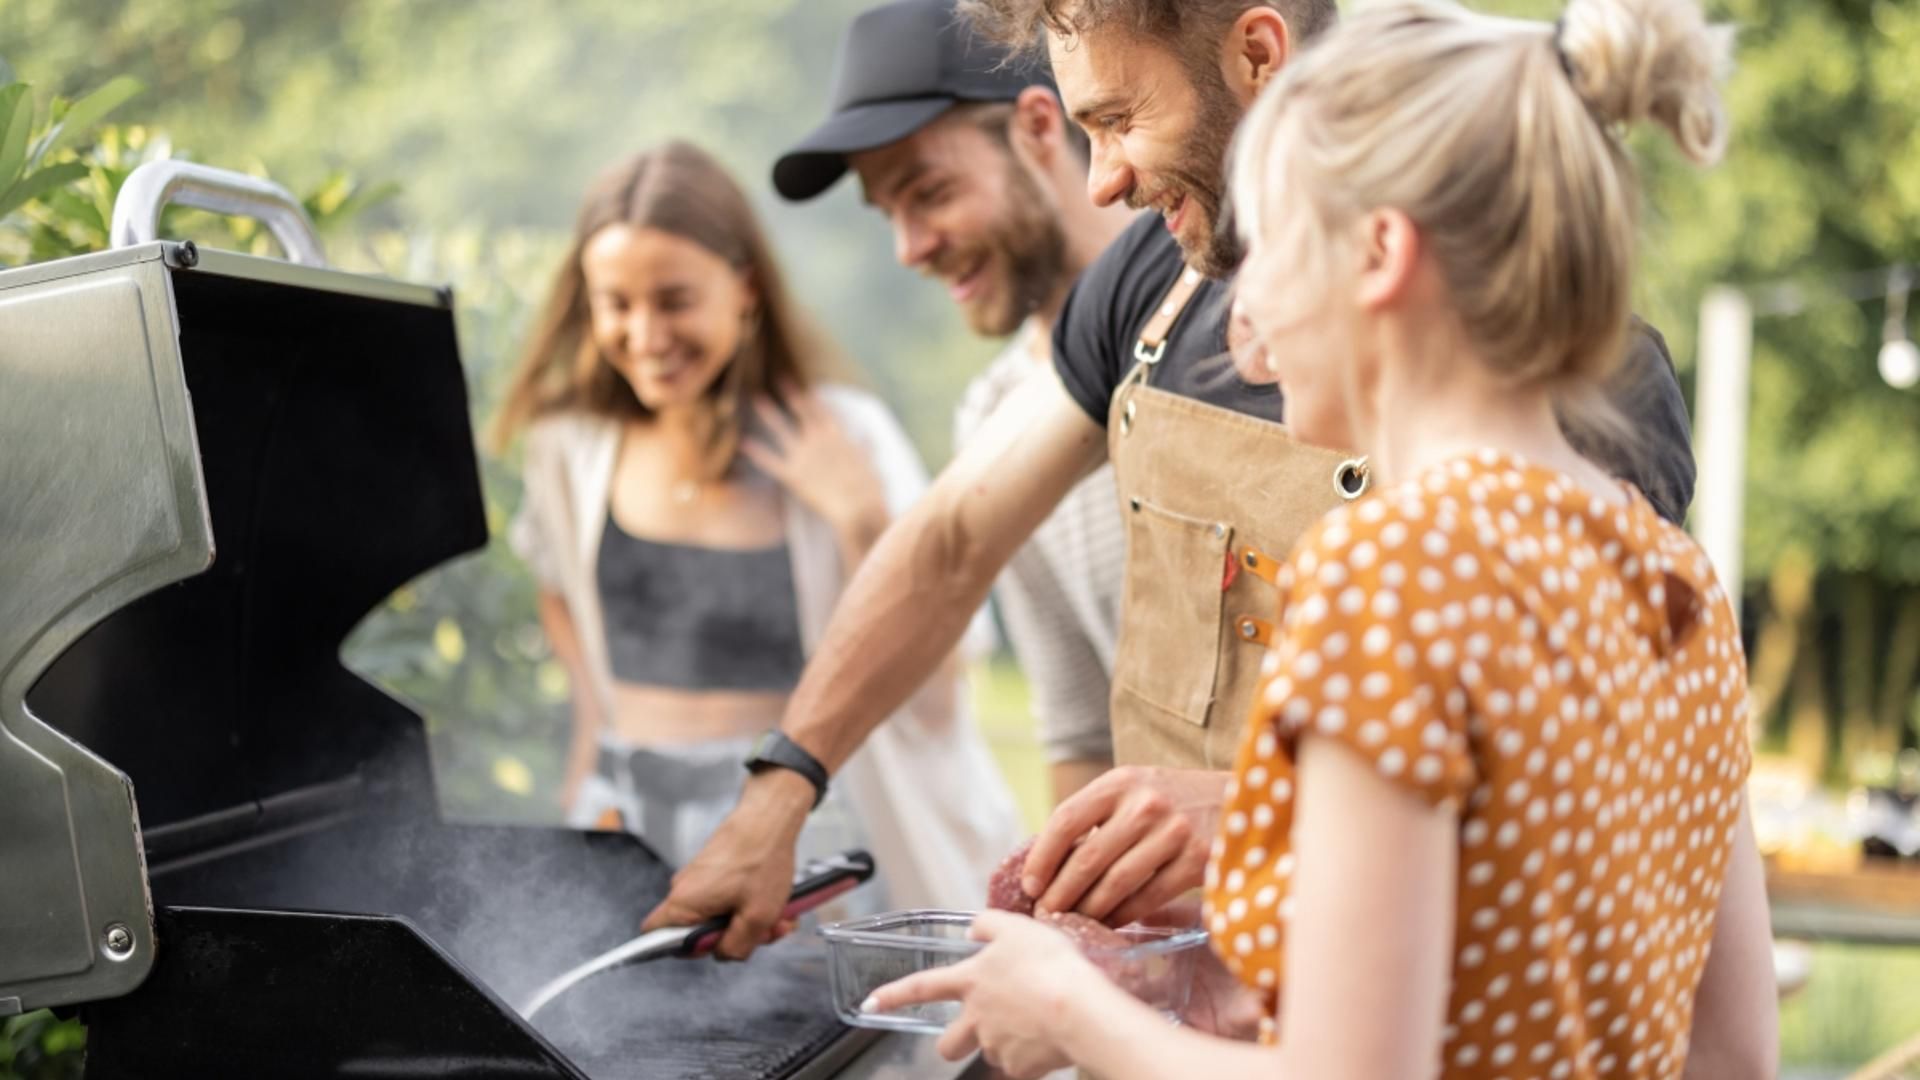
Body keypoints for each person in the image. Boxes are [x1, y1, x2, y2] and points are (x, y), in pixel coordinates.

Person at [642, 0, 1699, 957]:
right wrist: (779, 794)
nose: (1100, 183)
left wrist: (1254, 816)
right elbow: (955, 539)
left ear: (1257, 54)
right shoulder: (1151, 277)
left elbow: (1579, 809)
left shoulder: (1576, 392)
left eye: (1115, 120)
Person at [867, 1, 1779, 1075]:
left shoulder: (1384, 573)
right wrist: (1239, 991)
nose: (1239, 320)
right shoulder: (1668, 577)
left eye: (1271, 249)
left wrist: (1068, 1012)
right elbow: (1733, 1060)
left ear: (1381, 255)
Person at [493, 141, 1021, 911]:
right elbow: (558, 589)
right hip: (622, 817)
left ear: (743, 288)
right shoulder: (570, 446)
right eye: (616, 303)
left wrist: (861, 516)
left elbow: (939, 680)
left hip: (792, 825)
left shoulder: (846, 433)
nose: (645, 335)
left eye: (674, 300)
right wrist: (589, 739)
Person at [773, 0, 1137, 805]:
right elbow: (1081, 733)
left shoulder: (1222, 316)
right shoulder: (990, 416)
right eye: (889, 215)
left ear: (1039, 127)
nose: (910, 249)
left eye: (929, 192)